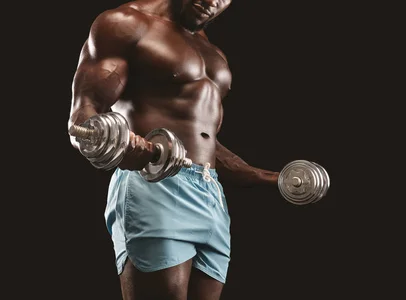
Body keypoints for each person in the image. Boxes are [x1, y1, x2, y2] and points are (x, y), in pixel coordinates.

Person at [67, 0, 280, 299]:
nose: (213, 2)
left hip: (210, 194)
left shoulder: (211, 50)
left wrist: (269, 177)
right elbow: (83, 119)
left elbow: (205, 143)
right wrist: (124, 145)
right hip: (155, 184)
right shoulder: (126, 23)